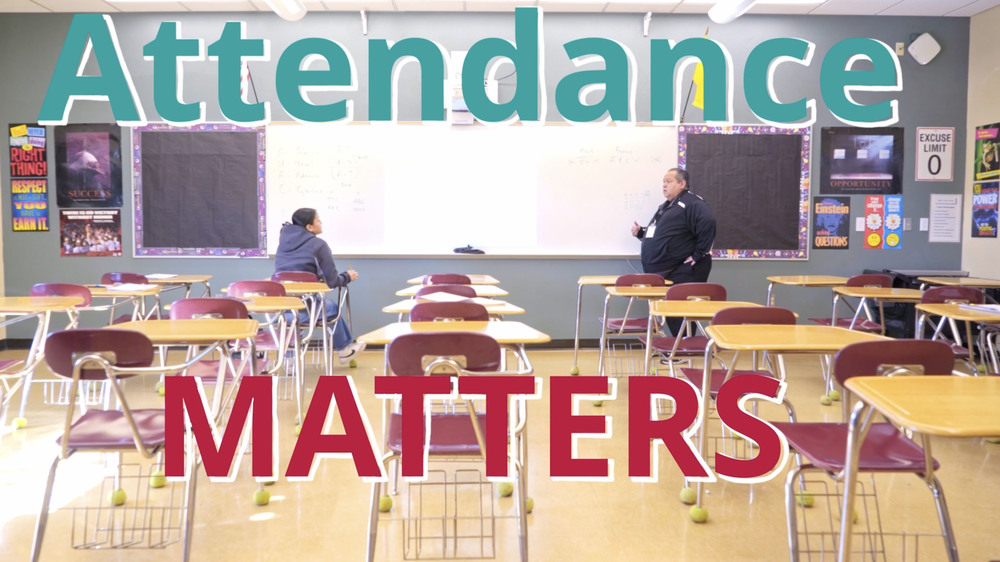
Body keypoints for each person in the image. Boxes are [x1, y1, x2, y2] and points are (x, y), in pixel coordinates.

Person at [631, 168, 716, 336]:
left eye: (669, 181)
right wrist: (641, 232)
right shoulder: (667, 207)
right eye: (663, 181)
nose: (664, 184)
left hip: (684, 269)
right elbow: (662, 232)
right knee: (671, 310)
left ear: (682, 184)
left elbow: (709, 221)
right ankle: (679, 350)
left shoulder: (692, 203)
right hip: (668, 270)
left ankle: (685, 349)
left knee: (680, 310)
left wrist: (699, 253)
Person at [275, 208, 366, 363]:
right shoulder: (319, 245)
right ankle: (344, 350)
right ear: (309, 227)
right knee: (330, 308)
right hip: (307, 311)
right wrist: (347, 277)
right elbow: (331, 282)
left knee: (302, 312)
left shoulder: (282, 243)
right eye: (318, 220)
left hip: (281, 312)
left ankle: (290, 358)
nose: (321, 222)